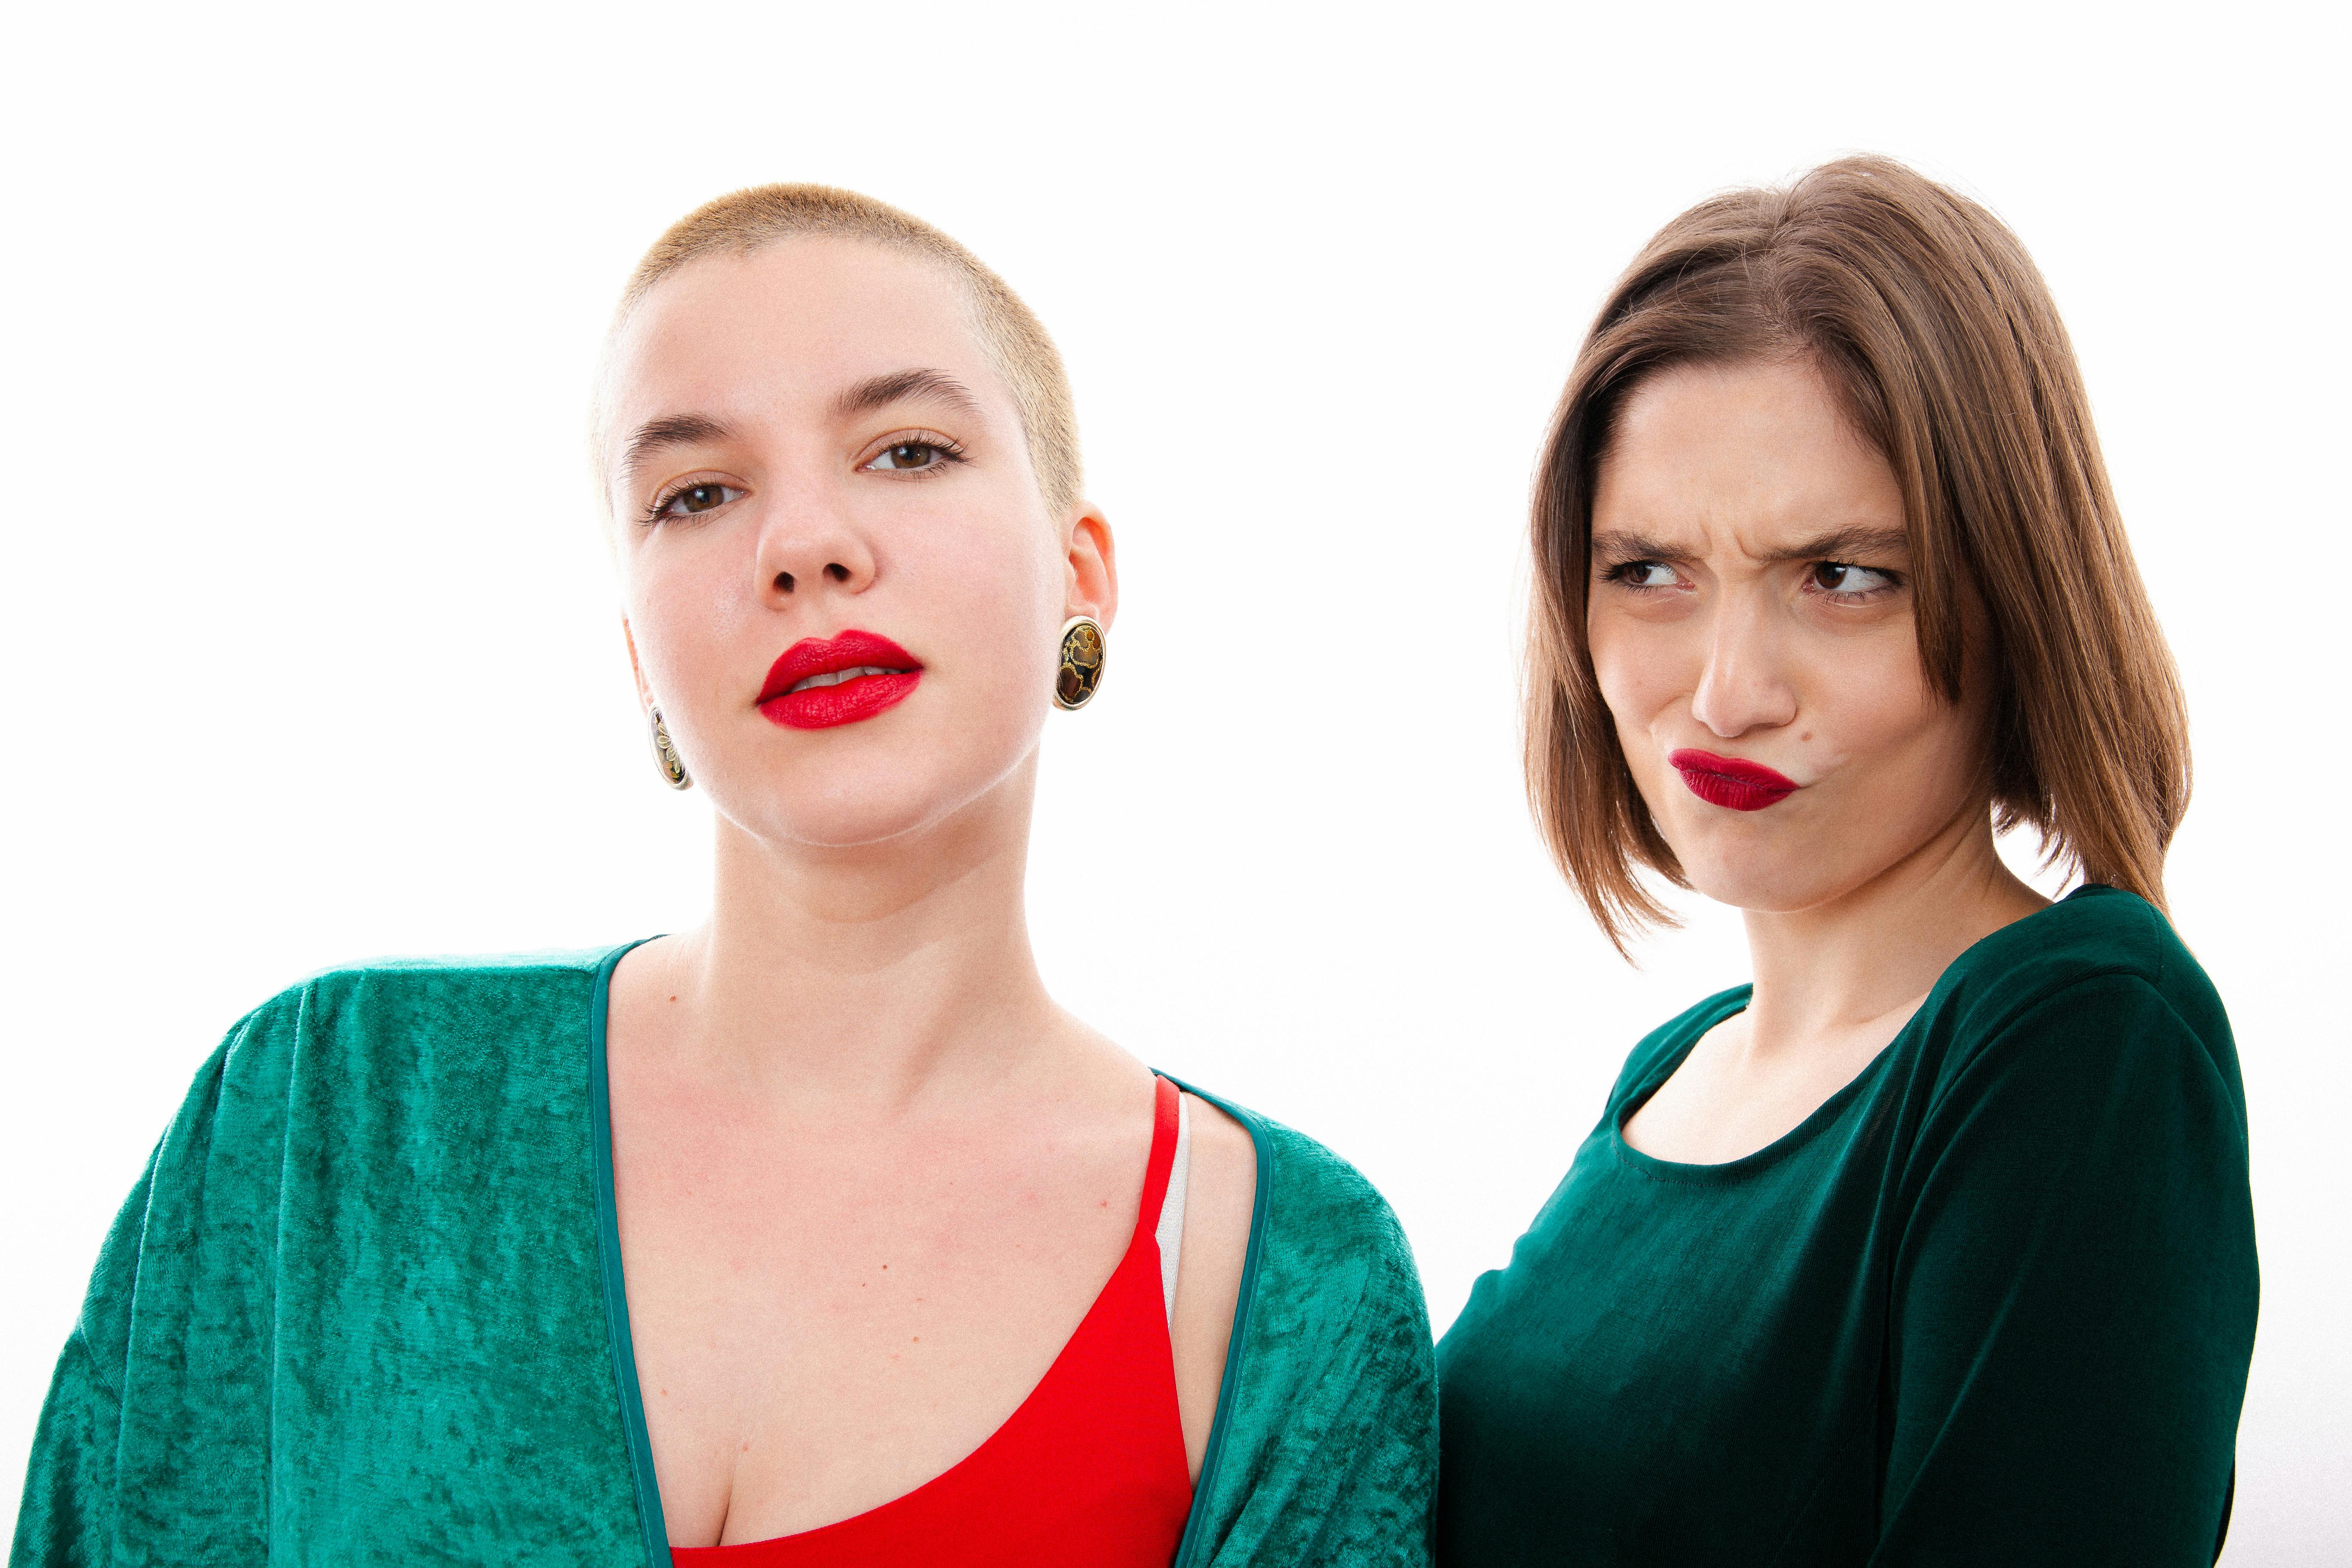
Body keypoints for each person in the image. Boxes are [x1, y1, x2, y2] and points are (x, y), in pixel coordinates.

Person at [12, 184, 1436, 1568]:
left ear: (1083, 573)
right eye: (697, 492)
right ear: (639, 654)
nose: (804, 547)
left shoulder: (1286, 1276)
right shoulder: (331, 1109)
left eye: (909, 450)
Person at [1435, 157, 2256, 1565]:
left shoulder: (2079, 1032)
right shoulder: (1673, 1072)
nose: (1726, 691)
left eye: (1844, 577)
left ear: (2014, 596)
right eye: (1648, 570)